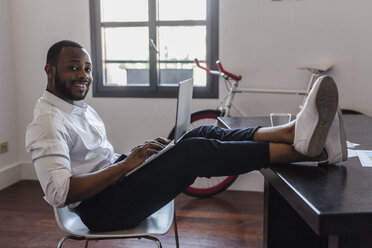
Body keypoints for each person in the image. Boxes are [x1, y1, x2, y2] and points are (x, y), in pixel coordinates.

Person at [26, 40, 347, 232]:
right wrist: (127, 166)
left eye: (87, 68)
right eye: (74, 68)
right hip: (102, 212)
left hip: (116, 186)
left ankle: (293, 131)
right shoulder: (47, 122)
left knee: (203, 132)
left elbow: (97, 162)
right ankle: (308, 151)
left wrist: (133, 158)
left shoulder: (78, 108)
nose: (84, 75)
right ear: (50, 70)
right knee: (193, 153)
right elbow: (60, 192)